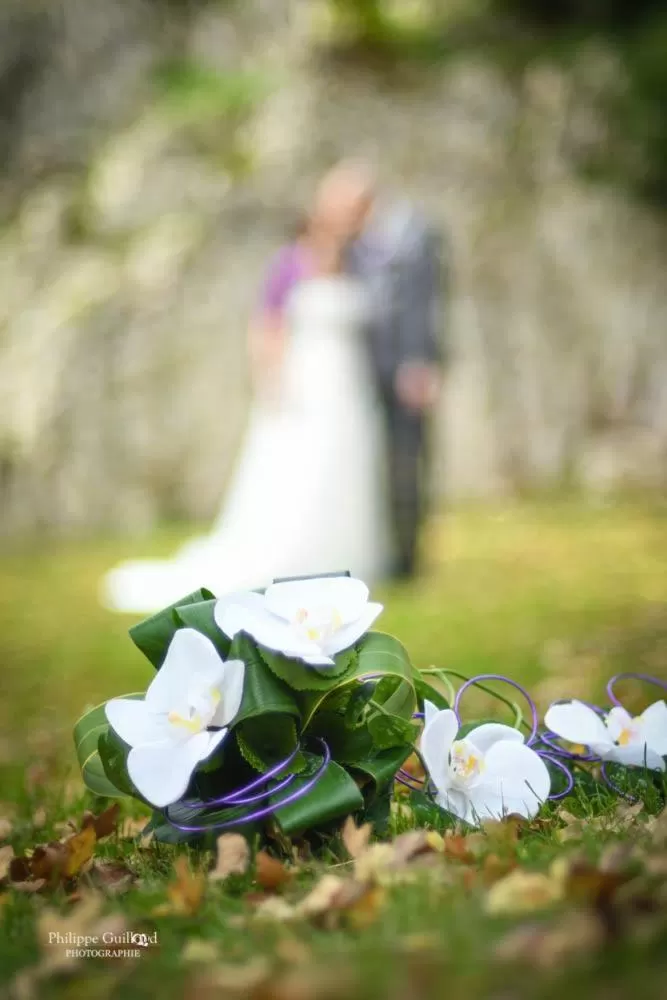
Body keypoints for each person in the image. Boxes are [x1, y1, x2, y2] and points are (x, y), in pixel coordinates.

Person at [102, 168, 393, 613]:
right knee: (299, 476)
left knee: (345, 471)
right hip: (305, 388)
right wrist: (272, 383)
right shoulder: (290, 262)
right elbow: (266, 327)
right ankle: (297, 559)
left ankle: (348, 559)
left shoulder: (364, 263)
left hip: (348, 390)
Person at [345, 164, 445, 579]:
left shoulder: (415, 232)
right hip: (359, 374)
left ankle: (408, 557)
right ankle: (380, 549)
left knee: (408, 463)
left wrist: (421, 361)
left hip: (407, 371)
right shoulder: (348, 244)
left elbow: (428, 304)